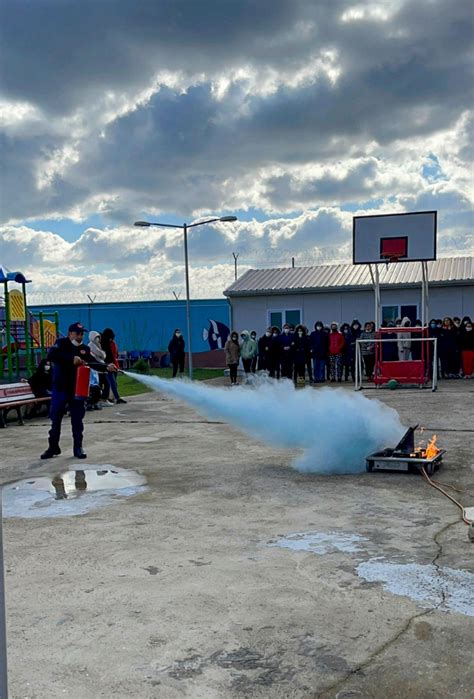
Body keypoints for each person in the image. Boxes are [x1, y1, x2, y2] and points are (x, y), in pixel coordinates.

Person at [41, 322, 117, 459]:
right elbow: (51, 356)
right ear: (70, 333)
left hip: (76, 390)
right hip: (60, 388)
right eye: (77, 333)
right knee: (56, 419)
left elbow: (93, 362)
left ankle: (78, 447)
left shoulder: (84, 349)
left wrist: (106, 367)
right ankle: (53, 447)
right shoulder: (61, 343)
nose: (80, 336)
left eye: (82, 334)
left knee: (77, 420)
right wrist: (71, 359)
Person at [101, 328, 127, 403]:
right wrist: (111, 365)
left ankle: (113, 398)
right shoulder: (105, 343)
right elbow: (109, 356)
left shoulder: (111, 343)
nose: (111, 340)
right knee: (109, 383)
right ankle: (111, 398)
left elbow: (114, 355)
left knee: (113, 382)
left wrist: (115, 366)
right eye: (110, 338)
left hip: (113, 365)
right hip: (107, 366)